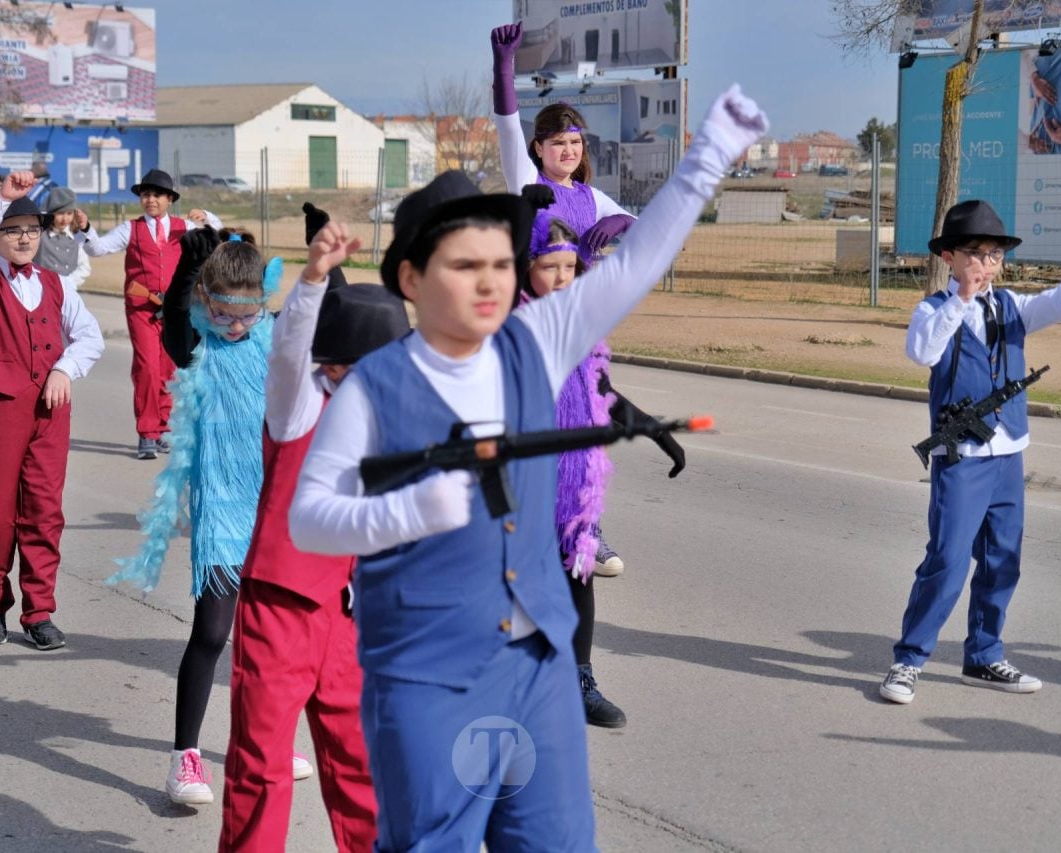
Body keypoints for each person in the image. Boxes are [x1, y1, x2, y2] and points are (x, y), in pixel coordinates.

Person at [288, 86, 767, 850]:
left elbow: (637, 262)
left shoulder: (537, 339)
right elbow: (309, 516)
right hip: (427, 670)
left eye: (498, 263)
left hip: (539, 662)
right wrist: (407, 512)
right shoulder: (374, 385)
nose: (488, 281)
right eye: (462, 264)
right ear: (411, 280)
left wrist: (707, 159)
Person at [879, 199, 1061, 705]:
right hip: (962, 461)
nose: (986, 262)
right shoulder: (933, 309)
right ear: (949, 256)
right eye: (975, 252)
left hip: (1009, 454)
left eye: (994, 254)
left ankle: (984, 655)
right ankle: (908, 661)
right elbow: (923, 352)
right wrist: (961, 300)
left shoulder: (1012, 306)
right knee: (947, 561)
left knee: (1003, 561)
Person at [107, 226, 314, 807]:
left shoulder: (272, 338)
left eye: (243, 314)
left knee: (272, 638)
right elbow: (172, 326)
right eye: (221, 312)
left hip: (274, 507)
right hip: (222, 505)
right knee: (213, 632)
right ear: (207, 302)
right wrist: (182, 276)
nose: (233, 325)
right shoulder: (198, 342)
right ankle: (184, 760)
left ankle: (270, 742)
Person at [219, 214, 406, 852]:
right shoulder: (301, 404)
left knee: (362, 761)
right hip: (283, 606)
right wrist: (313, 279)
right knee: (263, 761)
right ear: (340, 367)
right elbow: (289, 351)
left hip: (353, 614)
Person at [518, 206, 685, 730]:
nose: (562, 278)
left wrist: (655, 430)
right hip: (522, 483)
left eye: (569, 267)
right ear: (525, 269)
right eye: (549, 266)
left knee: (578, 578)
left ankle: (581, 681)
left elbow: (602, 393)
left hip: (574, 486)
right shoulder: (512, 328)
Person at [492, 20, 638, 576]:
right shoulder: (526, 182)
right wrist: (504, 69)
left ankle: (587, 529)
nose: (569, 150)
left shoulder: (589, 194)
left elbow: (643, 228)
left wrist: (617, 222)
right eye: (559, 142)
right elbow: (507, 123)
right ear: (540, 148)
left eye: (576, 142)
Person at [0, 170, 104, 649]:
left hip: (49, 415)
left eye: (32, 231)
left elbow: (90, 338)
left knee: (44, 512)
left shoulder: (56, 284)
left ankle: (39, 612)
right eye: (14, 231)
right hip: (0, 411)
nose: (24, 239)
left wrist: (65, 369)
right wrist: (0, 199)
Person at [77, 168, 220, 459]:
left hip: (176, 311)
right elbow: (98, 248)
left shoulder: (184, 227)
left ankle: (162, 429)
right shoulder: (130, 229)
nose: (150, 199)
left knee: (169, 368)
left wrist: (206, 216)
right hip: (142, 308)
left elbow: (216, 236)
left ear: (169, 199)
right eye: (146, 194)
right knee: (147, 368)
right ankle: (146, 433)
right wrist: (86, 228)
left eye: (157, 195)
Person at [34, 187, 91, 292]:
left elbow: (84, 268)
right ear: (51, 213)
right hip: (41, 291)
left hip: (67, 292)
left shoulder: (77, 238)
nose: (65, 219)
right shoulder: (39, 235)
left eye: (69, 213)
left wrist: (67, 282)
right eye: (60, 213)